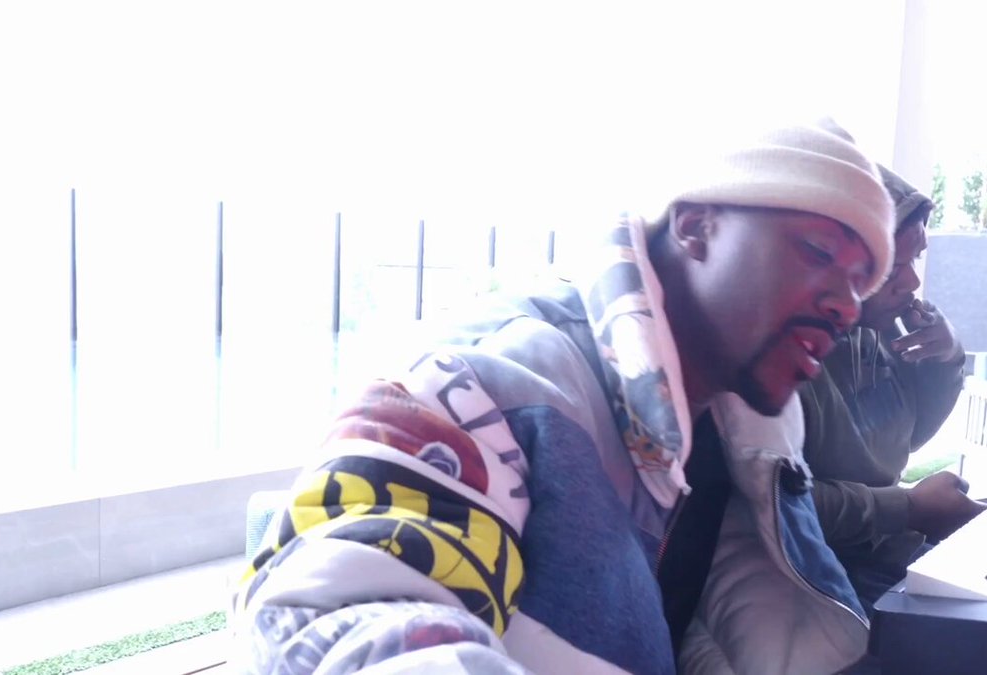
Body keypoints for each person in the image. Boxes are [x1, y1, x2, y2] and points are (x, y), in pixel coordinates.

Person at [229, 122, 895, 674]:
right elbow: (336, 614)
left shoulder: (750, 431)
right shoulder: (491, 380)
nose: (848, 305)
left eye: (861, 282)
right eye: (818, 252)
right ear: (696, 227)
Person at [800, 158, 986, 613]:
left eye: (915, 258)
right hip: (834, 574)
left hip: (896, 548)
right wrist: (909, 508)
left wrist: (945, 360)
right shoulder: (793, 355)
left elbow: (910, 437)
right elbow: (782, 503)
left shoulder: (879, 331)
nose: (914, 280)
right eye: (892, 266)